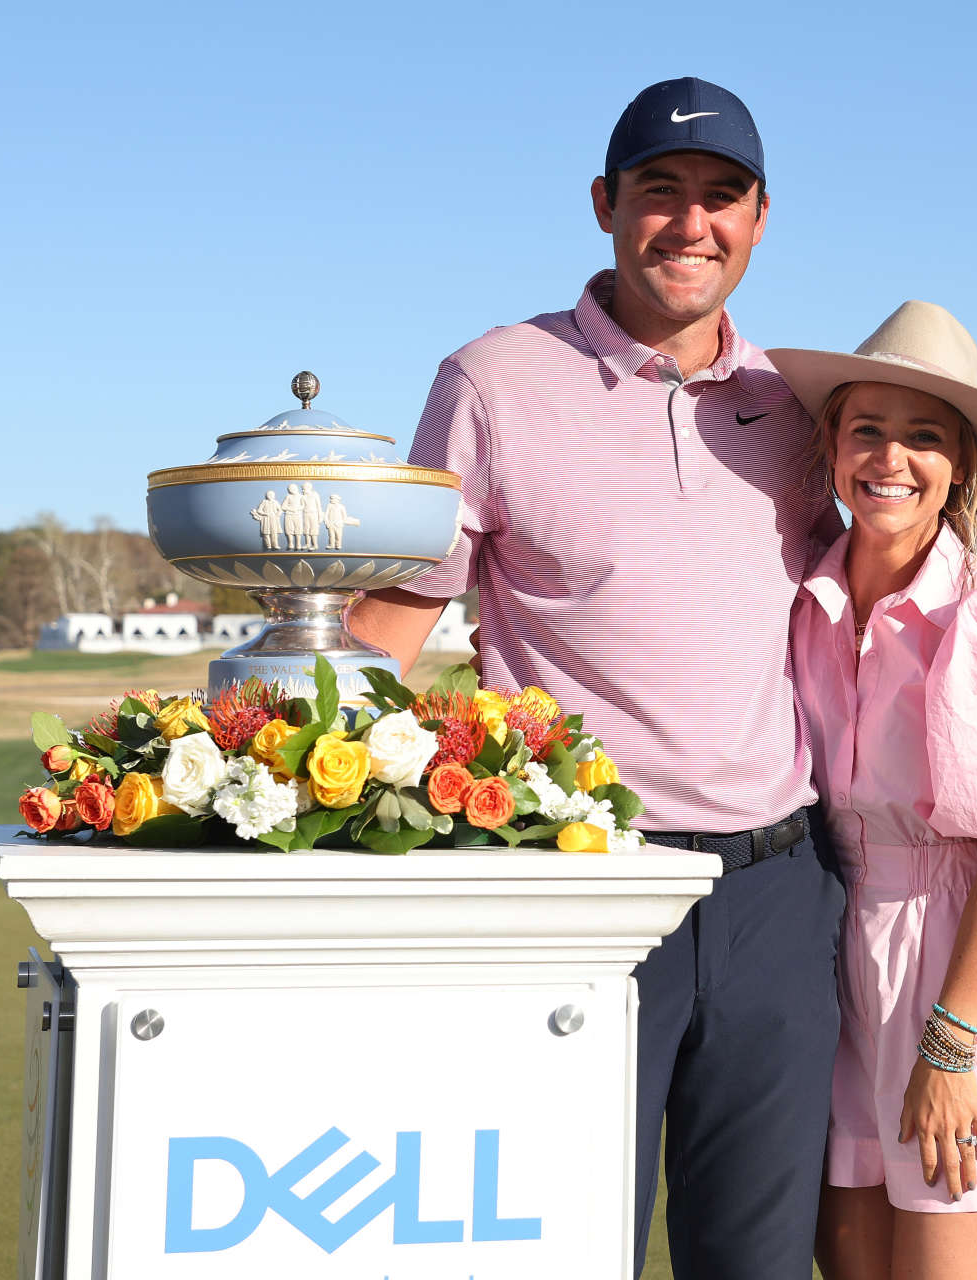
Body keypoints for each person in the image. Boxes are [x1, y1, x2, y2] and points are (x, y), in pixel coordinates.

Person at [348, 77, 846, 1280]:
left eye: (720, 197)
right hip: (582, 889)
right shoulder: (492, 379)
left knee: (759, 1264)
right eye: (659, 193)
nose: (691, 224)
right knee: (563, 1250)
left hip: (780, 893)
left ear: (762, 217)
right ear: (604, 205)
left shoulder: (795, 407)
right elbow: (390, 628)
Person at [768, 302, 977, 1279]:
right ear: (832, 444)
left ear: (959, 465)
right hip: (832, 978)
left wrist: (952, 1043)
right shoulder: (799, 600)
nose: (891, 457)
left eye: (924, 436)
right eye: (867, 427)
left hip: (962, 983)